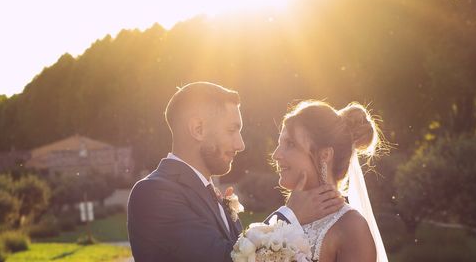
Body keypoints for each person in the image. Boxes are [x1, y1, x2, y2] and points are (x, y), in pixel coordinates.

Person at [127, 82, 344, 262]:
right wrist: (290, 216)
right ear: (198, 129)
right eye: (232, 130)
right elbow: (225, 259)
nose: (240, 144)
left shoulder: (210, 194)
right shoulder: (154, 193)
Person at [272, 100, 388, 262]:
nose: (276, 155)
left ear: (324, 155)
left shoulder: (351, 227)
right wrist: (289, 216)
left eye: (290, 144)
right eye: (279, 144)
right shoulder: (288, 215)